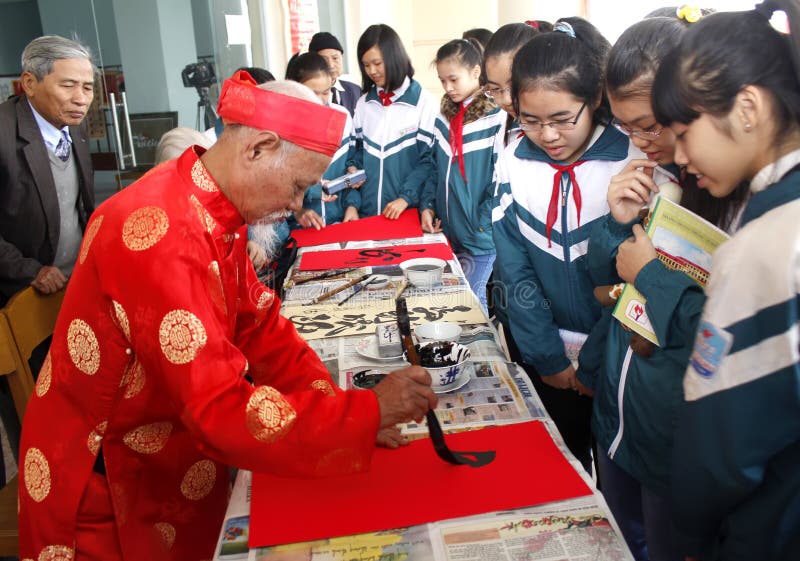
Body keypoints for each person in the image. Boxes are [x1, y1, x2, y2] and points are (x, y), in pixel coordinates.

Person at [17, 73, 437, 561]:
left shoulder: (211, 205)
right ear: (258, 147)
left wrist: (349, 418)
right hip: (108, 481)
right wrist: (360, 414)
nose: (298, 204)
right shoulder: (161, 234)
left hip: (167, 447)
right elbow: (217, 407)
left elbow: (259, 326)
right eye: (299, 184)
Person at [586, 15, 746, 561]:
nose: (642, 142)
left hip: (673, 438)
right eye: (627, 127)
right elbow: (601, 291)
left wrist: (650, 274)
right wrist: (614, 223)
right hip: (618, 418)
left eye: (652, 125)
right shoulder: (652, 179)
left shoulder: (739, 199)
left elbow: (728, 335)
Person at [648, 2, 800, 559]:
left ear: (748, 108)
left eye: (686, 132)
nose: (682, 157)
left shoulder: (767, 245)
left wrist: (689, 535)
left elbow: (722, 444)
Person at [491, 18, 630, 474]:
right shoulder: (513, 163)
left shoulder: (630, 163)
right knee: (561, 468)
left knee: (617, 476)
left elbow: (631, 284)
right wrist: (546, 356)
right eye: (530, 121)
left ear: (593, 101)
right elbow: (515, 271)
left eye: (562, 120)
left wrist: (594, 362)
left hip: (616, 358)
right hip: (547, 355)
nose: (548, 135)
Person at [0, 35, 95, 306]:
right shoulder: (4, 133)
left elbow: (80, 206)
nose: (81, 99)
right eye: (68, 86)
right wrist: (30, 271)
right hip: (20, 293)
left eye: (87, 88)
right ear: (30, 83)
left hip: (75, 281)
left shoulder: (75, 126)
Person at [420, 38, 504, 314]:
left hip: (480, 235)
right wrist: (428, 206)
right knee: (454, 300)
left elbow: (500, 179)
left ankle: (482, 356)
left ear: (476, 72)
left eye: (453, 79)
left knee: (472, 302)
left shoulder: (495, 118)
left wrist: (482, 224)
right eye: (443, 81)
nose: (447, 88)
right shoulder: (443, 117)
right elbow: (434, 169)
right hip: (449, 230)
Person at [342, 24, 438, 220]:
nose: (372, 71)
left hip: (407, 214)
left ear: (394, 57)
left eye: (377, 63)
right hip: (366, 216)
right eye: (366, 65)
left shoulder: (424, 103)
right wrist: (352, 203)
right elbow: (355, 156)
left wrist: (405, 198)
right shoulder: (363, 104)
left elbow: (428, 162)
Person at [285, 52, 352, 228]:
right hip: (300, 230)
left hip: (339, 225)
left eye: (326, 92)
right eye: (313, 93)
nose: (321, 101)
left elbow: (351, 165)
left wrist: (352, 205)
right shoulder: (283, 128)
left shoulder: (343, 118)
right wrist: (298, 210)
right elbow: (276, 184)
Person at [308, 31, 361, 116]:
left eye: (335, 58)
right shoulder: (307, 93)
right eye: (324, 60)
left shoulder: (355, 90)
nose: (331, 65)